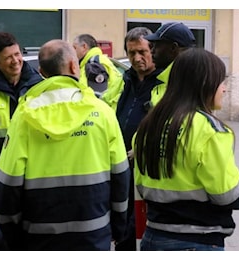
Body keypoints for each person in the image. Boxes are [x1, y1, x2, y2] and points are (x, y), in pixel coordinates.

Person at [0, 39, 131, 250]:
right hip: (94, 234)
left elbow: (8, 184)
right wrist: (118, 228)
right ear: (74, 66)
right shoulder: (102, 112)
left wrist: (13, 236)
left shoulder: (24, 115)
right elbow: (121, 175)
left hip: (39, 236)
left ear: (41, 72)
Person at [133, 48, 239, 251]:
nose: (224, 89)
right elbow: (229, 196)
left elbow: (142, 186)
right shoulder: (210, 130)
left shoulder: (149, 125)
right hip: (197, 241)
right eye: (221, 82)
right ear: (205, 84)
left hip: (153, 237)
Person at [103, 27, 163, 251]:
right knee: (121, 226)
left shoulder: (164, 83)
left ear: (152, 50)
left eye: (142, 52)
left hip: (147, 167)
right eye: (131, 53)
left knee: (138, 227)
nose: (136, 58)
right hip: (120, 164)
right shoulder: (124, 79)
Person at [0, 32, 43, 216]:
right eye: (8, 57)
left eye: (17, 54)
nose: (15, 61)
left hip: (32, 177)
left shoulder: (39, 86)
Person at [144, 22, 196, 106]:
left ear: (173, 48)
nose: (152, 51)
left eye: (156, 46)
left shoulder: (189, 83)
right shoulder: (163, 78)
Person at [72, 33, 124, 98]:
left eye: (75, 48)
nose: (73, 51)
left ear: (84, 47)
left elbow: (98, 97)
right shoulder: (100, 59)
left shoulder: (94, 64)